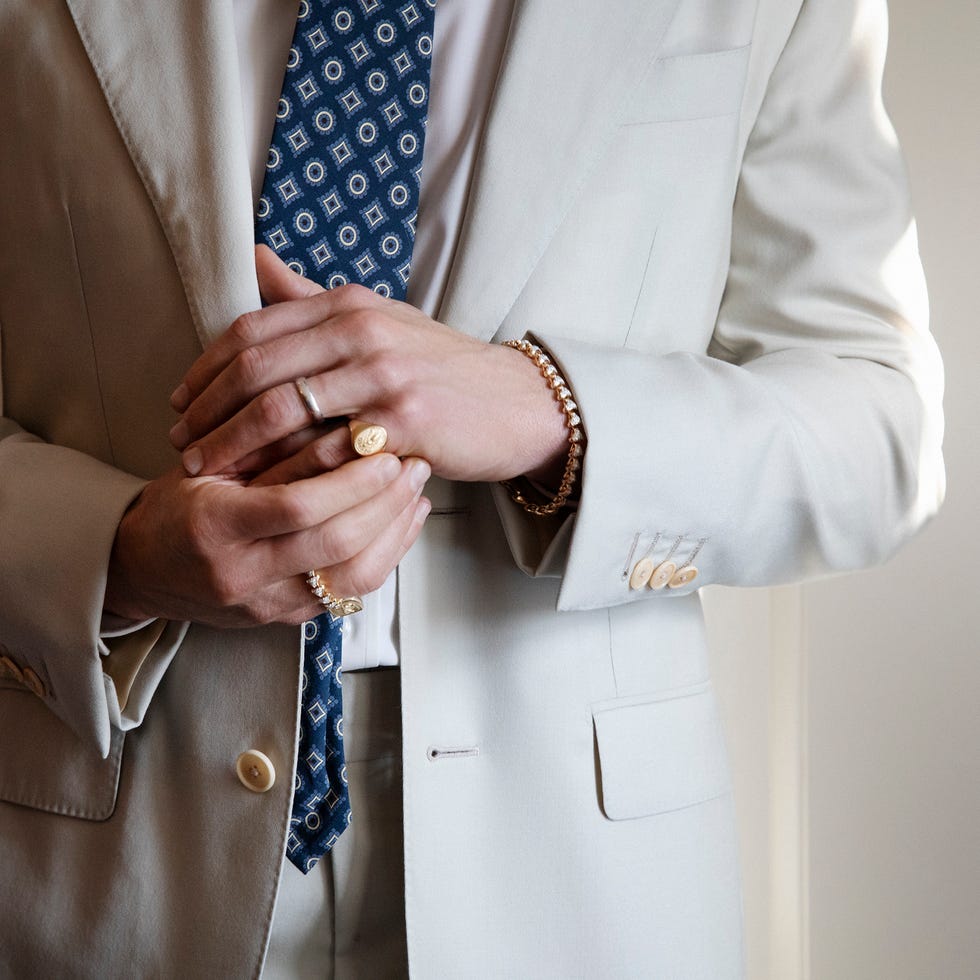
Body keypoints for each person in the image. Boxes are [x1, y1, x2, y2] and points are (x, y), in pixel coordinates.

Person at [0, 0, 944, 977]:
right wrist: (112, 554)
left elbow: (878, 427)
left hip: (579, 875)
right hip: (93, 854)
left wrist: (551, 409)